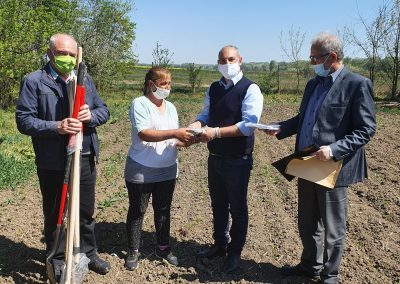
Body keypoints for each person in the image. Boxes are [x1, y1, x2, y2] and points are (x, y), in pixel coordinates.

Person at [264, 32, 376, 284]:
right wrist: (281, 126)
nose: (312, 62)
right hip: (307, 163)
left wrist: (334, 149)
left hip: (333, 168)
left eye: (315, 58)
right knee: (307, 221)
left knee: (333, 228)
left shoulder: (356, 84)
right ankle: (310, 266)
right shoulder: (314, 84)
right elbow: (304, 118)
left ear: (332, 57)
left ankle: (330, 275)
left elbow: (366, 129)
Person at [16, 33, 111, 275]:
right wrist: (56, 127)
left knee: (85, 211)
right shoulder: (34, 81)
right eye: (62, 53)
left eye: (71, 54)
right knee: (55, 211)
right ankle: (56, 257)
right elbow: (24, 121)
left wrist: (92, 116)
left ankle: (89, 254)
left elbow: (104, 110)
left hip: (84, 154)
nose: (67, 58)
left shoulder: (84, 79)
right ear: (50, 53)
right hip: (53, 161)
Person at [190, 45, 263, 273]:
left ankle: (234, 252)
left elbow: (248, 125)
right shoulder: (214, 88)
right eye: (223, 60)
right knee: (218, 205)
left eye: (231, 59)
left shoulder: (250, 89)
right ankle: (220, 245)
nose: (227, 64)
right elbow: (206, 114)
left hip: (237, 160)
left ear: (240, 59)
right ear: (218, 63)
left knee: (238, 208)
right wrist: (197, 124)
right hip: (216, 157)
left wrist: (217, 132)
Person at [124, 66, 195, 270]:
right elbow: (144, 133)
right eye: (163, 84)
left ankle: (163, 248)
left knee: (163, 210)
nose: (167, 87)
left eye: (169, 83)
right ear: (151, 84)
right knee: (138, 210)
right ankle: (133, 250)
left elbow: (174, 139)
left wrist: (188, 139)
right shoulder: (140, 104)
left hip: (167, 168)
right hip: (141, 168)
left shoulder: (171, 107)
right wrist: (175, 132)